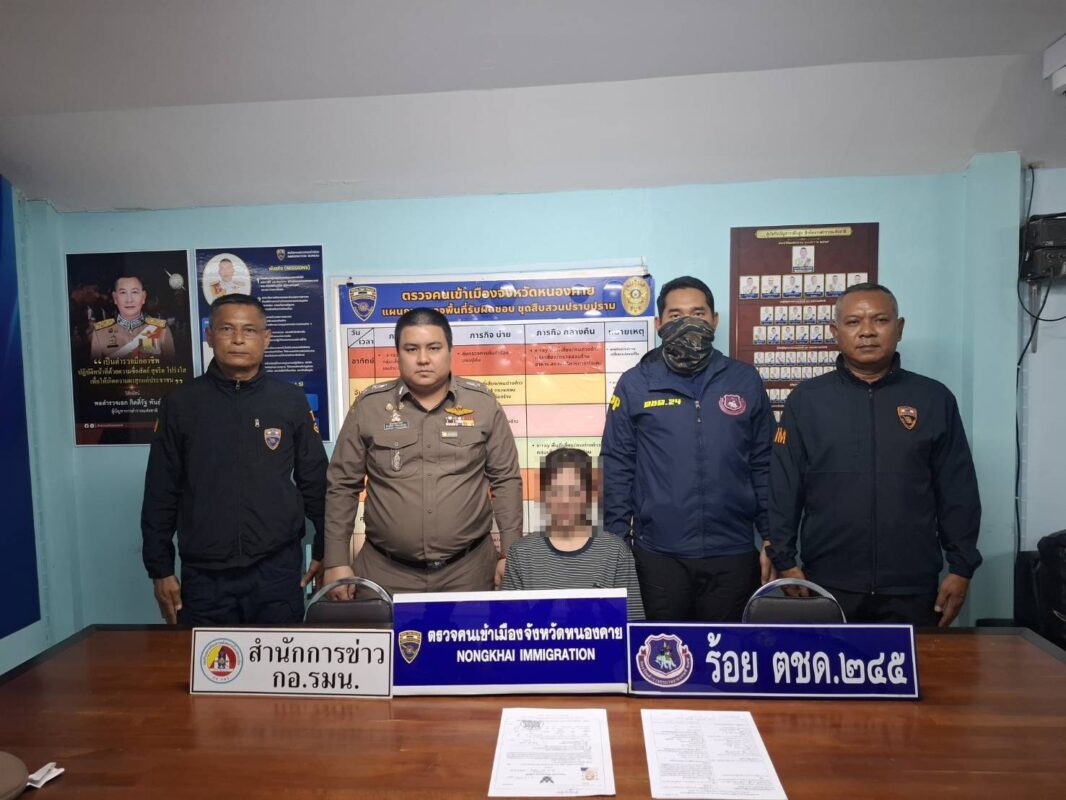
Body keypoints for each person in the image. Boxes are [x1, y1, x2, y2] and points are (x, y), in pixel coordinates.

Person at [767, 283, 982, 626]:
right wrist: (784, 559)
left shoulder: (933, 398)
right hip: (827, 582)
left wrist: (961, 567)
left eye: (880, 320)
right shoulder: (806, 401)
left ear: (899, 328)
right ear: (835, 332)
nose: (867, 331)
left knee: (917, 664)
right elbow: (784, 486)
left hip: (911, 586)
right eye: (853, 322)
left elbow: (958, 489)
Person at [141, 294, 327, 625]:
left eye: (249, 330)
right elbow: (160, 490)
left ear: (266, 338)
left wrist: (328, 550)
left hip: (277, 570)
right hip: (205, 576)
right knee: (207, 660)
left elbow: (316, 482)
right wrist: (160, 569)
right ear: (210, 335)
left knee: (277, 659)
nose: (238, 339)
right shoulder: (181, 403)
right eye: (227, 329)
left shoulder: (290, 401)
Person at [601, 276, 776, 621]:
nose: (688, 323)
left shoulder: (744, 380)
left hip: (733, 551)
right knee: (663, 652)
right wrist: (617, 543)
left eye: (698, 314)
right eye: (676, 316)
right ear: (659, 324)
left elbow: (764, 463)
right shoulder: (635, 384)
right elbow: (617, 465)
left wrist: (773, 537)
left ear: (715, 320)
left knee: (726, 651)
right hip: (658, 555)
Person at [323, 307, 523, 596]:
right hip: (385, 572)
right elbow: (342, 485)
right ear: (397, 354)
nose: (423, 359)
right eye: (411, 349)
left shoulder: (483, 404)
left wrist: (510, 553)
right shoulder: (369, 407)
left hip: (468, 572)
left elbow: (506, 480)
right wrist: (336, 560)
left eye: (434, 348)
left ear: (450, 351)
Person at [501, 447, 645, 620]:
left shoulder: (616, 552)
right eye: (556, 491)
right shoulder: (521, 554)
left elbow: (632, 624)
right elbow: (509, 625)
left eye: (574, 492)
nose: (564, 501)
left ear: (590, 494)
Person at [90, 275, 176, 362]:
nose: (129, 300)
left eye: (134, 292)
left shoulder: (162, 330)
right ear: (115, 298)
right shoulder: (100, 333)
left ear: (143, 297)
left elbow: (171, 368)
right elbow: (96, 369)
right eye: (123, 293)